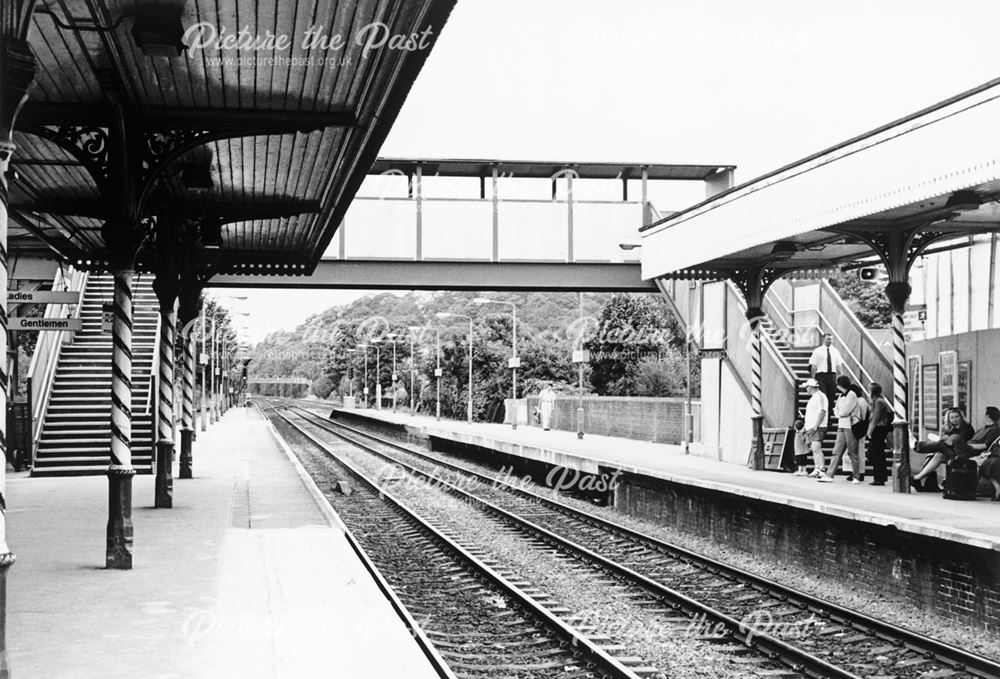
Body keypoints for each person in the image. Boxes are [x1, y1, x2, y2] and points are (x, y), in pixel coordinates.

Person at [910, 407, 977, 490]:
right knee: (938, 455)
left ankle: (919, 446)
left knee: (941, 445)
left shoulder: (966, 428)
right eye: (952, 417)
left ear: (961, 417)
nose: (954, 419)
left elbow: (957, 442)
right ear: (948, 419)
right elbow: (948, 442)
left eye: (957, 417)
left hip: (962, 454)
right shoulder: (951, 428)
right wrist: (945, 438)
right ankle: (917, 478)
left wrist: (946, 439)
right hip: (952, 452)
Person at [819, 375, 861, 483]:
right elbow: (836, 409)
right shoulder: (841, 396)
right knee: (836, 451)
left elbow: (843, 411)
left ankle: (856, 476)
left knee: (852, 452)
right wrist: (839, 413)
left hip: (850, 426)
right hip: (841, 426)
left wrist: (839, 413)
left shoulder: (852, 395)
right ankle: (829, 475)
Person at [809, 334, 844, 422]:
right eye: (828, 339)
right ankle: (821, 419)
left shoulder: (835, 351)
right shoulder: (817, 351)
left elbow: (839, 364)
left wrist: (842, 376)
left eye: (832, 339)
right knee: (823, 396)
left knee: (831, 398)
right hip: (821, 376)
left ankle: (828, 420)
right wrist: (813, 379)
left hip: (832, 376)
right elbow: (813, 365)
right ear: (823, 340)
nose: (830, 341)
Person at [866, 383, 893, 485]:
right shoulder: (878, 401)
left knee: (878, 454)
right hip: (879, 428)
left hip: (879, 429)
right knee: (878, 453)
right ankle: (880, 477)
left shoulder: (879, 402)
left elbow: (875, 418)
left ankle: (879, 478)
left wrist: (870, 430)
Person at [801, 378, 828, 477]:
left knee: (816, 447)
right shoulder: (814, 397)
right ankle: (817, 468)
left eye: (807, 387)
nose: (806, 389)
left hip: (817, 427)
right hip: (811, 427)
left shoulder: (820, 396)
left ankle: (822, 469)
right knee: (813, 448)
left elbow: (822, 411)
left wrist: (816, 426)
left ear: (811, 387)